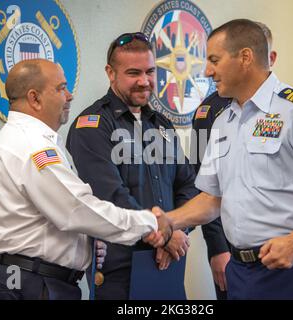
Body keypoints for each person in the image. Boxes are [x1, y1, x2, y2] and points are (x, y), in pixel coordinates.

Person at [148, 19, 293, 299]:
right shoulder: (224, 121)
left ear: (245, 57)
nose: (207, 70)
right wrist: (169, 220)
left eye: (214, 59)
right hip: (240, 272)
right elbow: (214, 198)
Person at [0, 59, 172, 300]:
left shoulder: (31, 139)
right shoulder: (32, 145)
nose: (69, 96)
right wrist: (150, 223)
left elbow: (51, 218)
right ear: (34, 98)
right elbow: (76, 210)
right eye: (61, 88)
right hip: (29, 282)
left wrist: (86, 245)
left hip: (31, 279)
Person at [66, 33, 197, 300]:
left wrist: (177, 229)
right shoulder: (92, 125)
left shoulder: (161, 124)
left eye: (150, 72)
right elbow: (110, 195)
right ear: (110, 73)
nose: (144, 81)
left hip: (169, 261)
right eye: (133, 73)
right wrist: (162, 233)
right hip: (120, 269)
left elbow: (188, 183)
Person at [190, 21, 277, 300]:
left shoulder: (291, 111)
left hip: (283, 254)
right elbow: (209, 190)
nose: (209, 70)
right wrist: (217, 248)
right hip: (232, 249)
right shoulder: (210, 114)